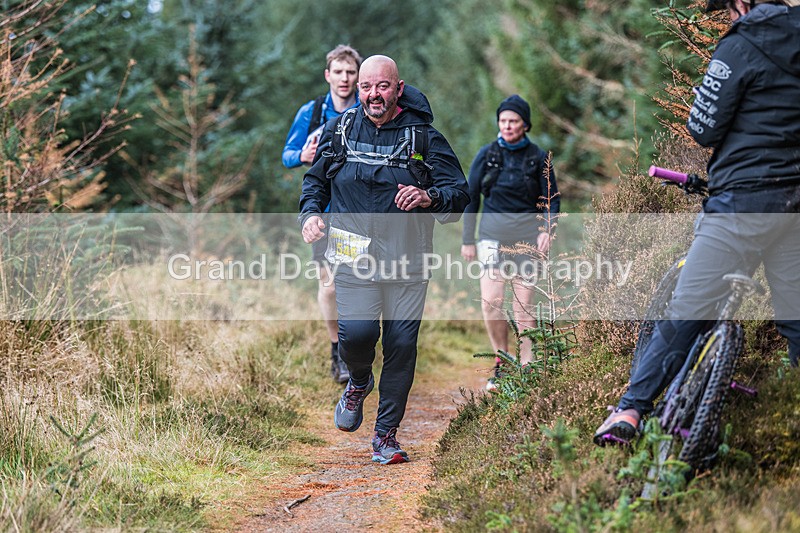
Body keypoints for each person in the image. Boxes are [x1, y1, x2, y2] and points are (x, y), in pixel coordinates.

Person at [594, 0, 800, 445]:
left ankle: (630, 410)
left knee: (689, 307)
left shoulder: (742, 43)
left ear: (742, 4)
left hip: (743, 200)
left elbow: (703, 127)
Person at [299, 55, 469, 464]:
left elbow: (459, 194)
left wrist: (429, 196)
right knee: (356, 336)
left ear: (399, 88)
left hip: (407, 258)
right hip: (351, 253)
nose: (373, 94)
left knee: (401, 345)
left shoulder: (423, 138)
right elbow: (315, 182)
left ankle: (385, 436)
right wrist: (310, 215)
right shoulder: (339, 130)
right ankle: (359, 380)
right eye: (366, 87)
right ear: (358, 89)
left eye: (382, 86)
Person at [461, 95, 559, 391]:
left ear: (525, 124)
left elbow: (552, 198)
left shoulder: (538, 157)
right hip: (491, 238)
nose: (507, 125)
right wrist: (467, 240)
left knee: (523, 306)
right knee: (491, 303)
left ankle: (528, 367)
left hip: (528, 239)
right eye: (503, 120)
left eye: (513, 121)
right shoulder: (487, 154)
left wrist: (547, 230)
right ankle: (503, 361)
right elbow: (471, 197)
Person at [282, 44, 362, 384]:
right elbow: (287, 154)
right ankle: (338, 352)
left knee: (357, 285)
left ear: (358, 77)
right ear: (328, 75)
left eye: (350, 72)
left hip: (358, 210)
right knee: (330, 289)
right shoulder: (312, 112)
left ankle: (359, 350)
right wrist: (303, 155)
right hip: (323, 212)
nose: (344, 78)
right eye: (338, 72)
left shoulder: (366, 109)